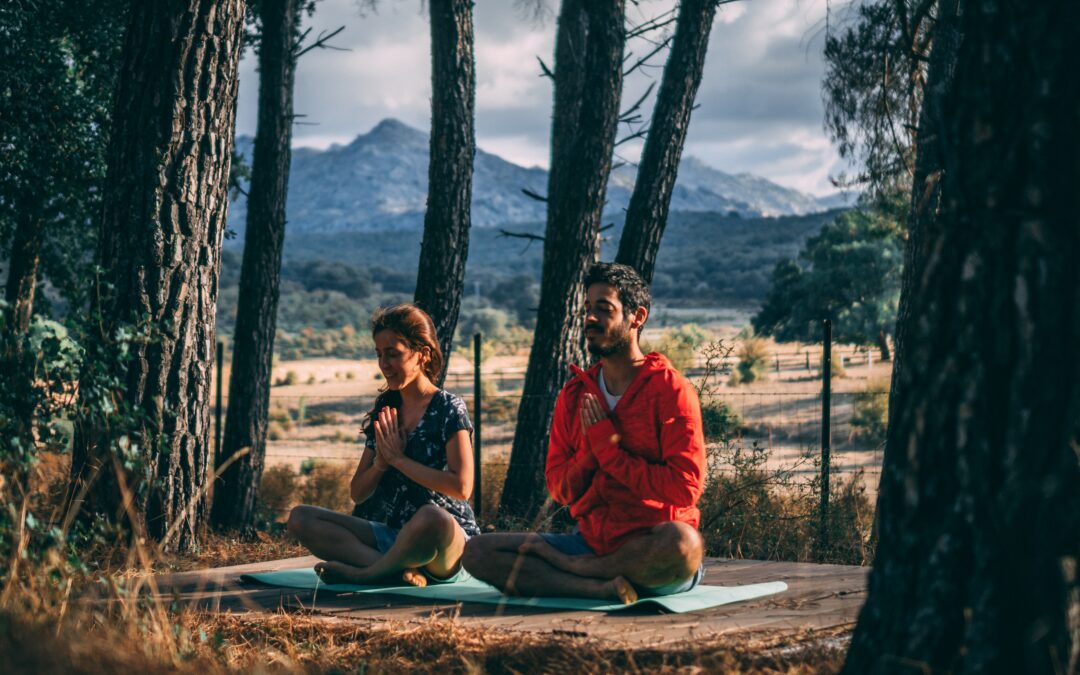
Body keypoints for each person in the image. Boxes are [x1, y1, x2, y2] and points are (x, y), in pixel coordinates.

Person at [462, 263, 707, 604]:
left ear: (637, 317)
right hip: (589, 543)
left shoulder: (671, 391)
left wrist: (610, 452)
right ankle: (593, 584)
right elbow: (560, 490)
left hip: (651, 546)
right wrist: (590, 456)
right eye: (588, 309)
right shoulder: (575, 395)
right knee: (476, 552)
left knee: (684, 544)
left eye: (604, 309)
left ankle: (577, 570)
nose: (590, 319)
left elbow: (685, 488)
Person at [287, 304, 480, 587]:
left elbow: (462, 487)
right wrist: (381, 463)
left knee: (430, 517)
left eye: (393, 354)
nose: (384, 364)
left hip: (444, 541)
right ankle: (396, 571)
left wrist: (400, 460)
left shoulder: (449, 408)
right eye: (379, 354)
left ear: (422, 355)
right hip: (392, 536)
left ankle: (368, 573)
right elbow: (358, 493)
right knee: (300, 517)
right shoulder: (386, 410)